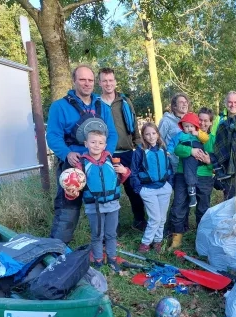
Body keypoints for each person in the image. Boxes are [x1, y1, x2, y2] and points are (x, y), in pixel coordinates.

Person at [46, 64, 118, 244]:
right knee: (68, 207)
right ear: (74, 81)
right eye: (82, 79)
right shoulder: (60, 106)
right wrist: (66, 154)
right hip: (74, 163)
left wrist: (106, 153)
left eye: (90, 80)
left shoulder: (102, 107)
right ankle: (58, 248)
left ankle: (103, 245)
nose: (87, 84)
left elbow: (113, 134)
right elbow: (53, 135)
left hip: (99, 164)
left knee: (103, 202)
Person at [67, 128, 130, 272]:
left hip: (113, 205)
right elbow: (74, 187)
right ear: (86, 143)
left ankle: (112, 259)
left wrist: (124, 171)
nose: (96, 145)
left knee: (111, 234)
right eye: (93, 142)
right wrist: (71, 192)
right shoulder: (81, 164)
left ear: (105, 145)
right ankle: (98, 260)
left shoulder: (110, 159)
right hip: (93, 207)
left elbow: (121, 178)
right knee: (97, 235)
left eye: (100, 143)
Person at [98, 67, 146, 231]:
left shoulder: (125, 101)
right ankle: (112, 227)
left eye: (111, 80)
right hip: (105, 154)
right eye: (105, 80)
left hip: (126, 152)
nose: (108, 83)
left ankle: (139, 221)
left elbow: (134, 126)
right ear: (100, 83)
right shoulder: (96, 103)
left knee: (133, 189)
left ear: (115, 82)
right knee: (109, 191)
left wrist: (139, 146)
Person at [166, 108, 216, 250]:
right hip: (183, 173)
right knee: (179, 204)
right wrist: (190, 151)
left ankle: (202, 240)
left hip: (204, 175)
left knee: (203, 208)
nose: (202, 122)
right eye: (200, 119)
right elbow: (177, 149)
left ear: (210, 123)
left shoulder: (211, 139)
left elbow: (216, 158)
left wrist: (208, 161)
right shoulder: (185, 134)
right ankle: (176, 239)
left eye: (206, 120)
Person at [129, 123, 173, 254]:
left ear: (158, 134)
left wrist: (170, 184)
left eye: (153, 133)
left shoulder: (163, 149)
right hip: (148, 189)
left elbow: (169, 168)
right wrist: (139, 188)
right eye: (147, 134)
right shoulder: (140, 151)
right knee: (155, 218)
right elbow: (134, 171)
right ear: (143, 136)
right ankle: (145, 243)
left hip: (164, 187)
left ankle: (158, 241)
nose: (151, 136)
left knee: (162, 218)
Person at [167, 112, 210, 207]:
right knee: (188, 164)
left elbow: (206, 138)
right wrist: (169, 151)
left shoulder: (198, 135)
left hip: (200, 160)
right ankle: (192, 191)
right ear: (182, 127)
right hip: (187, 161)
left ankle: (192, 190)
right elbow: (173, 143)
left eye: (191, 126)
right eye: (186, 126)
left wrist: (197, 133)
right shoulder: (181, 135)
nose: (189, 128)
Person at [159, 93, 190, 173]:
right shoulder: (166, 121)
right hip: (173, 165)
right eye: (181, 102)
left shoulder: (190, 121)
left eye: (186, 102)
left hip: (189, 163)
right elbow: (158, 140)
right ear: (174, 106)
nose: (185, 104)